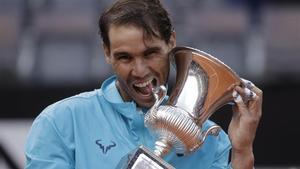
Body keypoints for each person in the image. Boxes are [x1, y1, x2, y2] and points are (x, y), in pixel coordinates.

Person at [24, 0, 263, 168]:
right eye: (125, 57)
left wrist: (242, 151)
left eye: (150, 54)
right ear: (107, 53)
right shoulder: (60, 122)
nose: (139, 71)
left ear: (171, 41)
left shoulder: (211, 141)